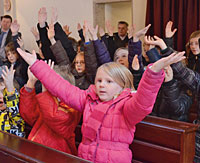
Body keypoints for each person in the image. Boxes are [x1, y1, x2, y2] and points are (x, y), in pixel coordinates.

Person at [17, 46, 184, 163]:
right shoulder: (88, 99)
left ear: (122, 85)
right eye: (99, 80)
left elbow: (144, 102)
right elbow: (63, 89)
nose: (102, 85)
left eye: (109, 81)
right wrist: (36, 65)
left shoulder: (127, 106)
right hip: (85, 159)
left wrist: (154, 72)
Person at [20, 64, 81, 155]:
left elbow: (54, 117)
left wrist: (45, 88)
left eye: (51, 81)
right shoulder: (47, 99)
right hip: (37, 149)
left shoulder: (72, 105)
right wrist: (31, 83)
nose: (48, 84)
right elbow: (30, 116)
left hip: (57, 154)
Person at [0, 65, 25, 137]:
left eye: (4, 92)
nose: (0, 96)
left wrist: (9, 88)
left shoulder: (15, 115)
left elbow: (17, 121)